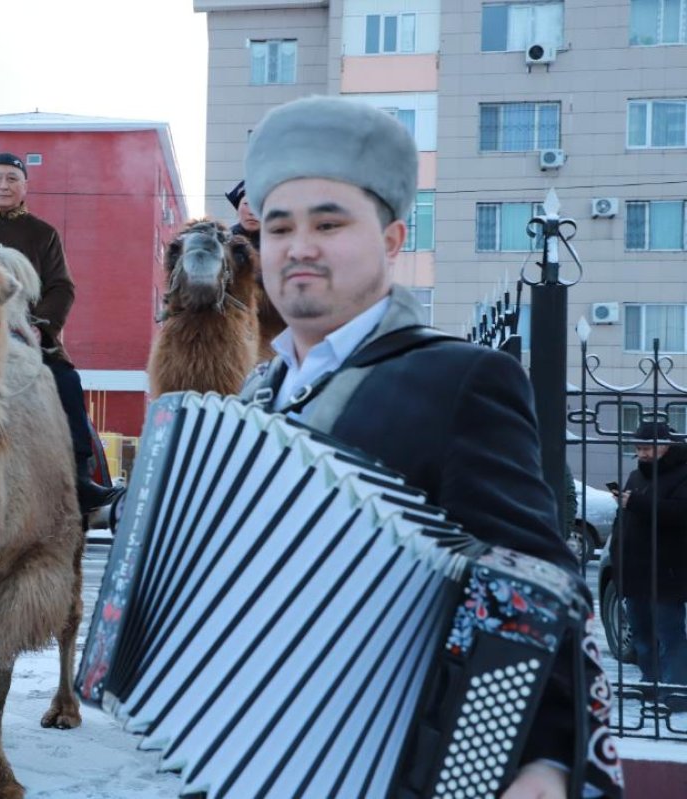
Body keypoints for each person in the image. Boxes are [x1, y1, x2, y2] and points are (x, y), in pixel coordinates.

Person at [237, 96, 621, 798]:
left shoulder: (459, 378)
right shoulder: (252, 400)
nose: (298, 246)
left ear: (391, 240)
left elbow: (538, 583)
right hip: (242, 759)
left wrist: (545, 761)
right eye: (280, 226)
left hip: (392, 763)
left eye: (329, 222)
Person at [0, 152, 122, 513]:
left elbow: (62, 287)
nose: (4, 185)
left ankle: (78, 474)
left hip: (25, 334)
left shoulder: (44, 234)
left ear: (25, 186)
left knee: (68, 384)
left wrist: (41, 326)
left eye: (12, 178)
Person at [615, 421, 687, 694]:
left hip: (666, 572)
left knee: (670, 636)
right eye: (639, 448)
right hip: (635, 571)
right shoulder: (637, 475)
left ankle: (676, 690)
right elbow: (624, 520)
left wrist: (634, 502)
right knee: (643, 637)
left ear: (666, 445)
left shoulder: (682, 474)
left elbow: (680, 513)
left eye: (647, 448)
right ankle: (650, 683)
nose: (642, 454)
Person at [226, 179, 260, 251]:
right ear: (238, 209)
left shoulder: (277, 242)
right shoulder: (224, 242)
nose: (252, 212)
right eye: (246, 204)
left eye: (258, 205)